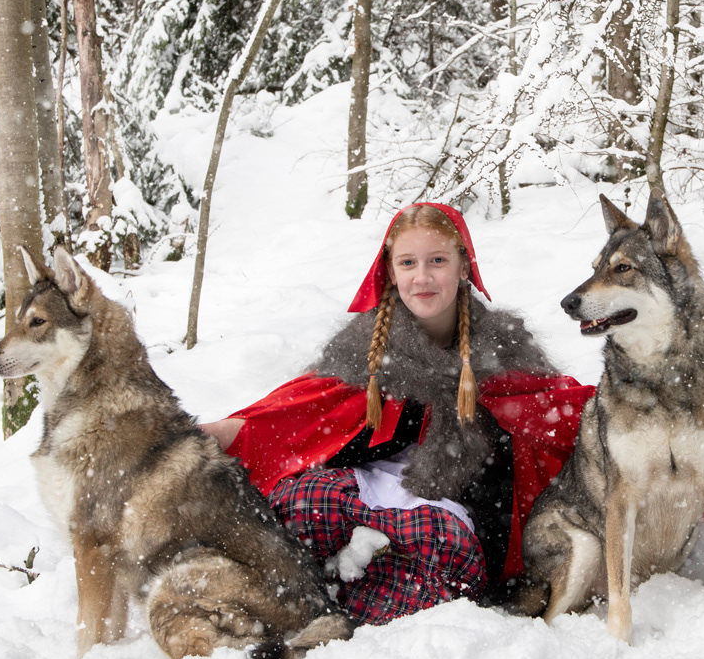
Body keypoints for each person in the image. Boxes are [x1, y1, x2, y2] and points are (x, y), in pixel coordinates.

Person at [202, 203, 593, 626]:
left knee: (441, 548)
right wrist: (209, 436)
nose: (421, 277)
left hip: (445, 511)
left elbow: (566, 416)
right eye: (407, 263)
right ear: (390, 271)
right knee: (300, 506)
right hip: (359, 492)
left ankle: (343, 601)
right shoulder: (364, 351)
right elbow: (298, 416)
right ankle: (327, 590)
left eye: (437, 261)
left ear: (464, 266)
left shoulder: (504, 356)